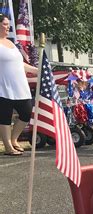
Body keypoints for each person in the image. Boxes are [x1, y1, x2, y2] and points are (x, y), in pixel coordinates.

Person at [0, 14, 37, 156]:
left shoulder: (11, 43)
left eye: (8, 23)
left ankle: (14, 139)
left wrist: (36, 71)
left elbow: (19, 64)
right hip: (3, 87)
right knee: (5, 117)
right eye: (4, 24)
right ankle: (8, 146)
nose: (7, 26)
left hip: (20, 87)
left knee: (26, 112)